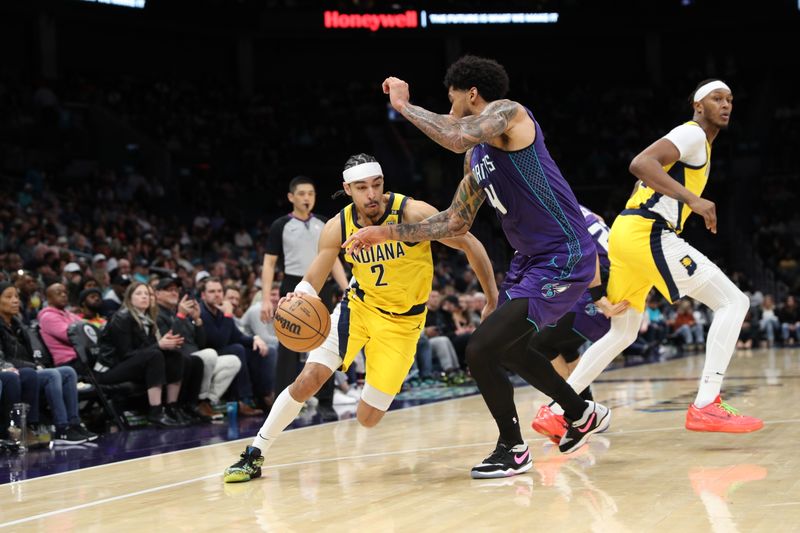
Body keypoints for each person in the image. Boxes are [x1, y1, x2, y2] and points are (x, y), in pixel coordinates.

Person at [343, 56, 622, 478]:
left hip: (564, 253)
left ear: (470, 92)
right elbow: (454, 221)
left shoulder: (510, 114)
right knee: (507, 348)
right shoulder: (475, 159)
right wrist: (385, 233)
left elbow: (455, 134)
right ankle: (580, 411)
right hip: (530, 262)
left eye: (451, 98)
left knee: (479, 350)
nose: (449, 106)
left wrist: (403, 106)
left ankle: (512, 448)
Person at [223, 152, 498, 483]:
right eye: (362, 187)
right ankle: (254, 453)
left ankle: (370, 383)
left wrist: (492, 297)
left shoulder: (412, 212)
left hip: (403, 324)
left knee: (368, 418)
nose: (371, 194)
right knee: (308, 378)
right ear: (347, 189)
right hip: (359, 308)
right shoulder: (337, 225)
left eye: (376, 185)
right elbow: (315, 274)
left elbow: (471, 244)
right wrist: (301, 294)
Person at [535, 79, 762, 434]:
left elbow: (643, 181)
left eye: (730, 99)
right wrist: (692, 199)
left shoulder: (694, 144)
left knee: (622, 332)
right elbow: (640, 164)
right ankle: (707, 403)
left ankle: (556, 409)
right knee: (733, 303)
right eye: (717, 98)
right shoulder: (691, 135)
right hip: (647, 232)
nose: (726, 104)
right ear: (698, 106)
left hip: (628, 233)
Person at [259, 175, 349, 422]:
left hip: (324, 288)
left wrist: (346, 288)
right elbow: (269, 264)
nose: (306, 198)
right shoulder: (280, 225)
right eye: (301, 194)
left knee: (327, 343)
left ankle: (326, 402)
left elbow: (333, 261)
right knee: (288, 345)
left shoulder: (324, 222)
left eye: (310, 193)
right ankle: (282, 402)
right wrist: (266, 298)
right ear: (291, 197)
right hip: (294, 287)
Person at [531, 206, 613, 442]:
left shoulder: (550, 210)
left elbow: (585, 249)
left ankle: (573, 410)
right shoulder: (573, 205)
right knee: (565, 345)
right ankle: (586, 409)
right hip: (605, 275)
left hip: (599, 280)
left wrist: (597, 293)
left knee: (541, 344)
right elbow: (599, 218)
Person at [96, 282, 187, 428]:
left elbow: (145, 351)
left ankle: (172, 407)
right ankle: (156, 412)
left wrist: (166, 344)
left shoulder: (148, 319)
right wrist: (159, 345)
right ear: (129, 299)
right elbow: (125, 354)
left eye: (146, 294)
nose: (144, 297)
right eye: (138, 294)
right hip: (110, 370)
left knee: (175, 355)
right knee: (154, 355)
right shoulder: (121, 317)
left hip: (132, 365)